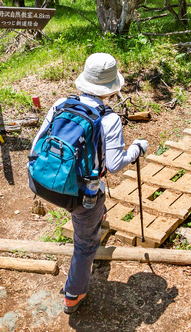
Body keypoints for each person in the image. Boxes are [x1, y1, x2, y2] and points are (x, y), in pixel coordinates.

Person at [30, 53, 148, 314]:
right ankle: (73, 294)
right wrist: (137, 149)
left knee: (92, 213)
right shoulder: (109, 120)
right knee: (85, 245)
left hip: (43, 181)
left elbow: (38, 142)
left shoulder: (61, 104)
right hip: (82, 197)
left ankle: (96, 218)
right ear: (111, 88)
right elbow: (115, 165)